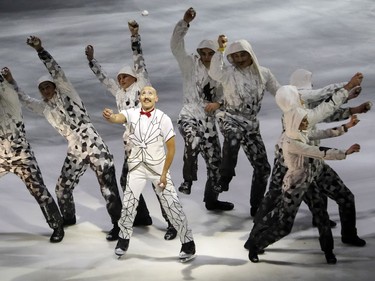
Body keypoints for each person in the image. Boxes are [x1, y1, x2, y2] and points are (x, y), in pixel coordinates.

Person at [13, 35, 122, 241]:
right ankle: (68, 218)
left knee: (107, 186)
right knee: (62, 188)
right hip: (75, 149)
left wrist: (40, 50)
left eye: (48, 86)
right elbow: (25, 100)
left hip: (93, 143)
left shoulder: (67, 93)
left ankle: (119, 224)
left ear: (54, 86)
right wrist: (12, 83)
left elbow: (56, 71)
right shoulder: (45, 108)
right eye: (42, 89)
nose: (46, 90)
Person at [85, 20, 177, 240]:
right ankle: (142, 216)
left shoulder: (142, 85)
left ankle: (173, 222)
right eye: (119, 78)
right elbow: (103, 79)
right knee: (127, 181)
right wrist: (91, 61)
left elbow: (139, 61)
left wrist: (134, 36)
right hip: (131, 146)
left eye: (124, 76)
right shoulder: (119, 93)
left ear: (135, 78)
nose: (121, 79)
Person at [246, 106, 361, 264]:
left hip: (311, 179)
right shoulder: (290, 141)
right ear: (294, 122)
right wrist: (344, 153)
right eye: (303, 120)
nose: (307, 122)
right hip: (296, 185)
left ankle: (328, 251)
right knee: (284, 224)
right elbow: (317, 151)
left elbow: (325, 133)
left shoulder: (303, 133)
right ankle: (256, 244)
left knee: (321, 214)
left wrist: (346, 126)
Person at [102, 86, 196, 262]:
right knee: (129, 203)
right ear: (140, 97)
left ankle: (188, 241)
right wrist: (110, 116)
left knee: (171, 204)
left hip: (158, 168)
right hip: (137, 167)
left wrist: (164, 173)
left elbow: (171, 148)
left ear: (156, 98)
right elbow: (118, 117)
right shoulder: (131, 113)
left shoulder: (164, 119)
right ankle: (123, 239)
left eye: (150, 93)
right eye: (143, 93)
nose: (146, 96)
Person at [208, 35, 281, 216]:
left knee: (263, 168)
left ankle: (257, 206)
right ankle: (224, 179)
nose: (239, 59)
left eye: (243, 55)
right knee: (232, 138)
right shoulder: (228, 73)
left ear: (250, 55)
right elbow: (214, 72)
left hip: (251, 124)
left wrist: (298, 99)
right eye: (235, 56)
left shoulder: (264, 73)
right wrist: (221, 50)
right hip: (230, 117)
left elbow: (280, 93)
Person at [170, 7, 233, 211]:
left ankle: (212, 200)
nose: (206, 56)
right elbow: (176, 46)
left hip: (208, 120)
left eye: (210, 53)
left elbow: (227, 96)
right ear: (198, 53)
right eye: (203, 53)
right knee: (192, 140)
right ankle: (188, 181)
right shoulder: (189, 64)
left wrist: (220, 104)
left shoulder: (221, 73)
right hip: (189, 113)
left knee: (216, 162)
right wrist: (185, 23)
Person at [0, 67, 64, 243]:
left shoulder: (9, 97)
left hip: (21, 155)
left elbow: (9, 90)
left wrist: (8, 80)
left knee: (39, 190)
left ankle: (57, 225)